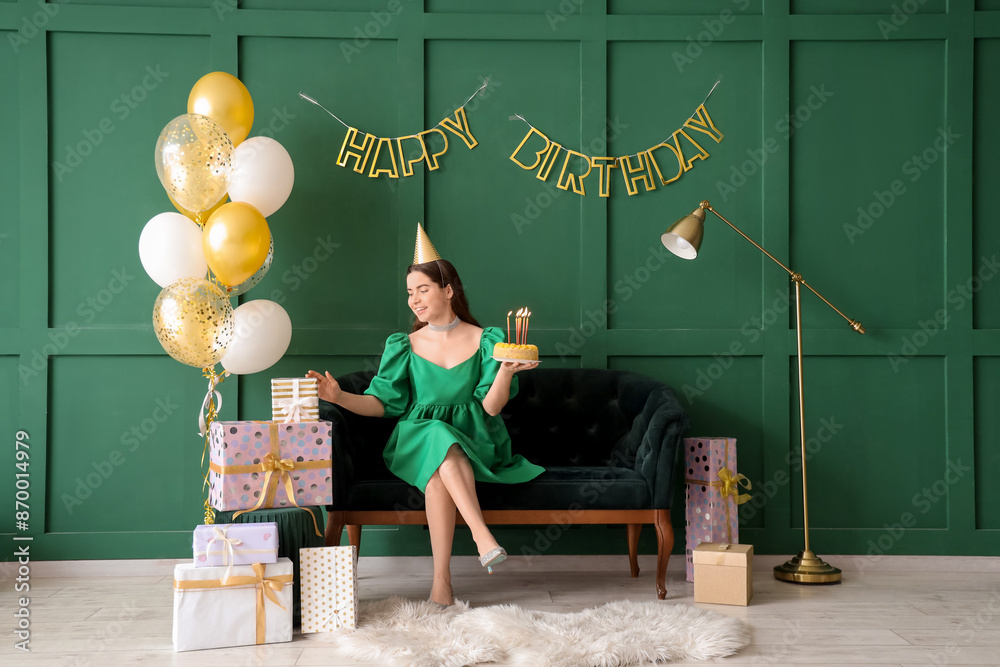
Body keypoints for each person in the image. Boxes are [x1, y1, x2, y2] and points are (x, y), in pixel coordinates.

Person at [307, 224, 543, 607]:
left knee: (438, 477)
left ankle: (442, 586)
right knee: (435, 433)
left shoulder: (488, 339)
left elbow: (491, 408)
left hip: (476, 441)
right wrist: (340, 397)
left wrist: (505, 370)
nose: (414, 300)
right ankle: (482, 537)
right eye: (409, 293)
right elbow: (383, 404)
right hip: (416, 439)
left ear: (448, 290)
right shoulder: (404, 345)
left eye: (423, 290)